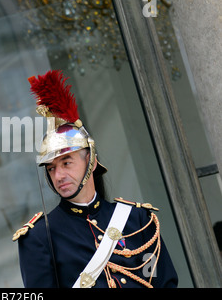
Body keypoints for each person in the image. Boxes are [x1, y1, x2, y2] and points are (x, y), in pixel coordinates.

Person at [13, 70, 178, 288]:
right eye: (51, 168)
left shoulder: (137, 219)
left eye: (66, 163)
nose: (58, 175)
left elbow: (163, 281)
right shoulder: (39, 237)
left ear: (90, 160)